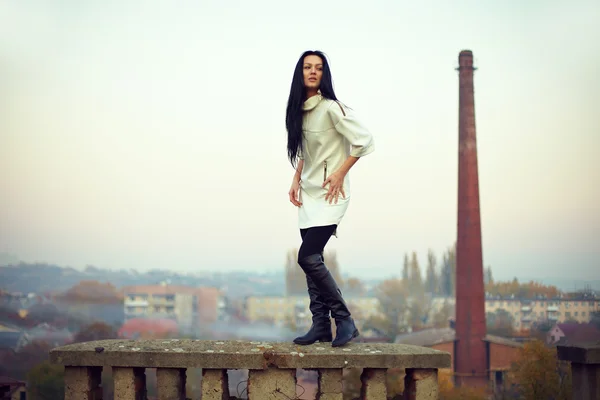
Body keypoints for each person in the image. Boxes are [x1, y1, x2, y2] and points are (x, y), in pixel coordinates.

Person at [285, 50, 374, 347]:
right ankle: (320, 325)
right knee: (314, 261)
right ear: (300, 73)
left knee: (307, 256)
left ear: (325, 74)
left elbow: (364, 140)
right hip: (309, 193)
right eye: (307, 67)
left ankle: (344, 320)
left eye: (318, 68)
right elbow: (306, 152)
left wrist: (340, 172)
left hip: (332, 195)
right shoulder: (298, 110)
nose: (313, 72)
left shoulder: (332, 108)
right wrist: (296, 178)